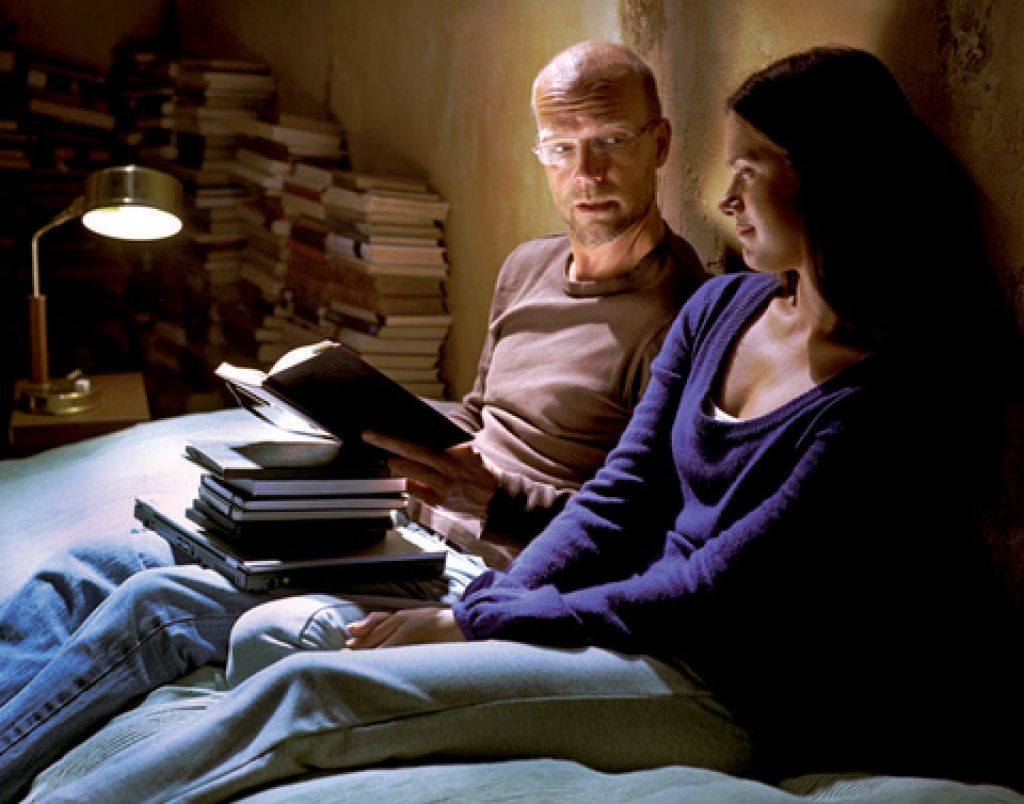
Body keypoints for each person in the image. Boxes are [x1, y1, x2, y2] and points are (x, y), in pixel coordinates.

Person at [35, 45, 1024, 803]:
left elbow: (711, 592)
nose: (725, 197)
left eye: (754, 168)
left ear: (834, 178)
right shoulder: (727, 310)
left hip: (725, 689)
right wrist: (484, 599)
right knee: (282, 634)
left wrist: (474, 617)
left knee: (314, 692)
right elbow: (617, 500)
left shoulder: (884, 396)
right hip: (618, 623)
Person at [0, 41, 708, 800]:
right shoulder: (527, 267)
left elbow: (642, 535)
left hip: (485, 570)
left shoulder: (682, 318)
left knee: (157, 609)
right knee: (92, 565)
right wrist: (356, 423)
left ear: (659, 143)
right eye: (562, 148)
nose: (587, 173)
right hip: (401, 524)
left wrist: (493, 501)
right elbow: (479, 418)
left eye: (611, 141)